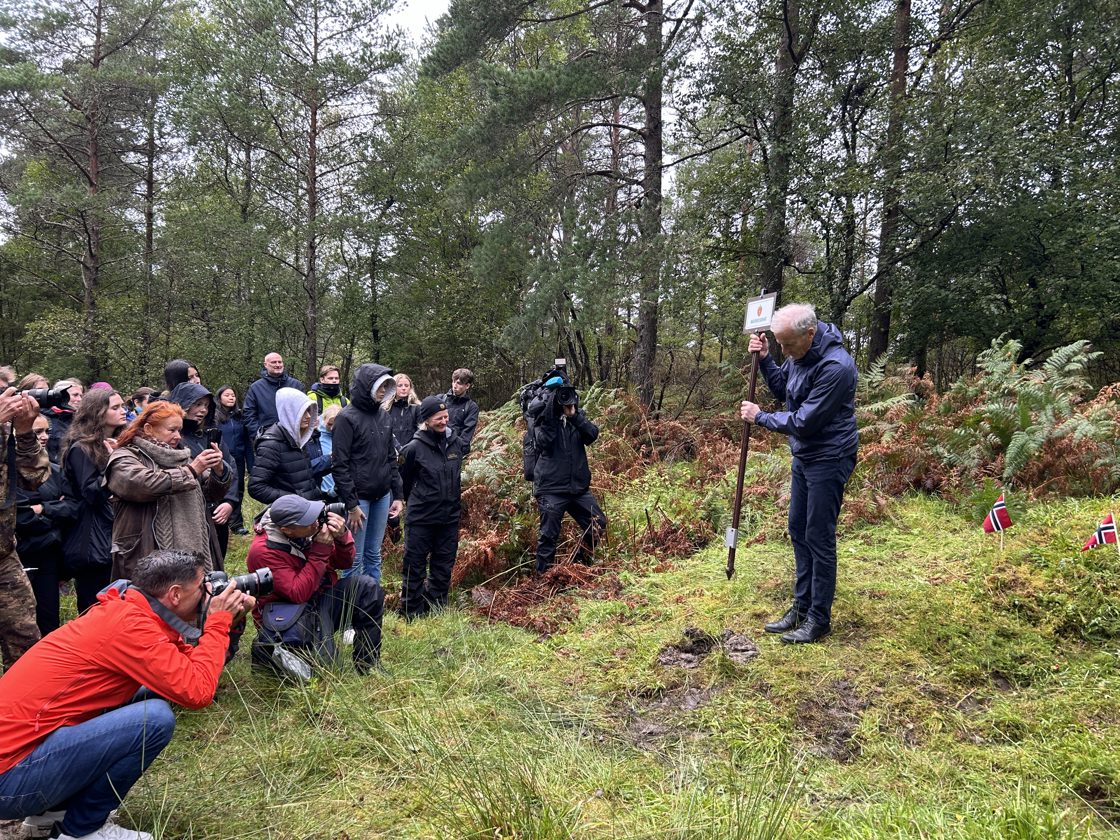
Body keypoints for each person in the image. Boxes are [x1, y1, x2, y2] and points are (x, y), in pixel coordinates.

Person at [0, 549, 254, 840]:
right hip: (9, 781)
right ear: (174, 594)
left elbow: (187, 668)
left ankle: (53, 814)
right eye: (202, 586)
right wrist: (218, 622)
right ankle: (82, 829)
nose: (208, 592)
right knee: (153, 719)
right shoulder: (132, 628)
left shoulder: (127, 610)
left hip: (18, 760)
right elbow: (197, 691)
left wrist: (228, 623)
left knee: (147, 695)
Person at [739, 302, 858, 644]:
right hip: (804, 456)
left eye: (788, 345)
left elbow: (805, 421)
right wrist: (765, 359)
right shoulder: (800, 353)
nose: (785, 351)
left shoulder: (836, 367)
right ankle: (801, 607)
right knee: (798, 529)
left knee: (818, 535)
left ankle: (819, 619)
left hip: (830, 457)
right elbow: (784, 389)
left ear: (810, 333)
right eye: (780, 345)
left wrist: (760, 417)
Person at [247, 495, 382, 677]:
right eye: (308, 521)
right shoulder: (263, 551)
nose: (315, 523)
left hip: (320, 598)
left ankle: (368, 665)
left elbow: (345, 563)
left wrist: (342, 537)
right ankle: (279, 657)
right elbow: (298, 593)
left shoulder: (307, 530)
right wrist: (320, 550)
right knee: (327, 671)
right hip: (289, 614)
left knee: (367, 588)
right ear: (287, 530)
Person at [105, 402, 230, 581]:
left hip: (195, 549)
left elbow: (211, 494)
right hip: (146, 553)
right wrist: (192, 470)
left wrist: (218, 470)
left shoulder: (182, 456)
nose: (178, 436)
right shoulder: (125, 456)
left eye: (179, 430)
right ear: (148, 429)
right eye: (171, 430)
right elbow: (143, 485)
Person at [331, 364, 403, 584]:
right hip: (358, 500)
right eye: (380, 387)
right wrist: (352, 505)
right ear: (367, 386)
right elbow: (339, 465)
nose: (383, 392)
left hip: (382, 496)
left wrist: (398, 495)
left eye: (386, 387)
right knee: (355, 556)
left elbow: (390, 458)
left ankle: (372, 597)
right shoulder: (346, 418)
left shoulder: (384, 416)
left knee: (373, 554)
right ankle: (351, 601)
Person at [397, 396, 467, 619]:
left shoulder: (456, 443)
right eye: (438, 418)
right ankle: (411, 611)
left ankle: (436, 607)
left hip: (449, 517)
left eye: (446, 417)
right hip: (421, 517)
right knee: (414, 565)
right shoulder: (412, 448)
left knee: (443, 564)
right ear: (426, 420)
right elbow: (403, 482)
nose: (444, 421)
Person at [528, 379, 607, 575]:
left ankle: (578, 566)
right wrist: (551, 415)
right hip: (551, 488)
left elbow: (592, 435)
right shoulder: (541, 420)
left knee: (598, 524)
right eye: (559, 398)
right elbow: (543, 443)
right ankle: (544, 579)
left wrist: (574, 416)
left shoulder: (576, 417)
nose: (564, 401)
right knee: (548, 536)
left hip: (578, 489)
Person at [60, 389, 128, 614]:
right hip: (93, 536)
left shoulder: (120, 441)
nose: (123, 411)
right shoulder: (81, 448)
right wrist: (113, 461)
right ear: (98, 412)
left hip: (119, 529)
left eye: (122, 406)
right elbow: (92, 493)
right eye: (115, 407)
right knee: (95, 605)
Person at [0, 389, 50, 669]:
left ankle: (20, 696)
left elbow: (35, 477)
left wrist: (24, 431)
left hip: (4, 557)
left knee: (25, 640)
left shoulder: (5, 428)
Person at [16, 415, 78, 635]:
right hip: (18, 553)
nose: (43, 437)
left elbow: (72, 508)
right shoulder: (8, 473)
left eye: (46, 431)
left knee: (48, 621)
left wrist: (42, 508)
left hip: (47, 553)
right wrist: (53, 511)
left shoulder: (55, 470)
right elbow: (19, 517)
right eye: (36, 432)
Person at [168, 383, 238, 559]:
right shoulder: (173, 439)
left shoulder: (211, 435)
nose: (203, 410)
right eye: (197, 404)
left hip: (217, 512)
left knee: (217, 561)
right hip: (188, 515)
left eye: (206, 405)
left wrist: (230, 502)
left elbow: (230, 468)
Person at [248, 387, 323, 504]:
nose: (308, 416)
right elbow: (256, 488)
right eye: (303, 412)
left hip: (309, 509)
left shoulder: (299, 439)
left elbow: (303, 480)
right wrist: (293, 501)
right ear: (290, 412)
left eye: (309, 411)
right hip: (292, 512)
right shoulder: (271, 445)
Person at [214, 385, 251, 535]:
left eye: (233, 395)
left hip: (239, 458)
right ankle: (221, 519)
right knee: (222, 488)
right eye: (227, 395)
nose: (231, 398)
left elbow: (247, 441)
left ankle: (236, 524)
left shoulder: (239, 417)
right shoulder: (215, 417)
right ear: (219, 398)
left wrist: (251, 463)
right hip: (222, 459)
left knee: (238, 488)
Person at [244, 352, 306, 439]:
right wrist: (258, 435)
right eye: (273, 362)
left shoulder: (296, 385)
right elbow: (249, 414)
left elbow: (305, 410)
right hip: (266, 438)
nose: (278, 365)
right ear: (265, 365)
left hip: (294, 437)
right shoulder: (256, 388)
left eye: (280, 362)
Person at [43, 379, 84, 462]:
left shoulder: (82, 421)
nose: (80, 399)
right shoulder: (44, 418)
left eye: (81, 396)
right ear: (60, 395)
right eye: (75, 395)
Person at [443, 367, 479, 447]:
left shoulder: (471, 407)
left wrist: (454, 449)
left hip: (455, 449)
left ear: (467, 386)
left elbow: (466, 436)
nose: (454, 386)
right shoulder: (441, 399)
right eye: (453, 381)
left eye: (459, 383)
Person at [387, 373, 421, 452]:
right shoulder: (386, 408)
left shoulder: (417, 408)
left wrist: (411, 448)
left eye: (406, 385)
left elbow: (421, 432)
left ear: (410, 388)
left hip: (412, 451)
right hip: (391, 452)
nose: (403, 388)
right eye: (400, 385)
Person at [317, 405, 341, 501]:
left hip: (341, 490)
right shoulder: (316, 436)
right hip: (322, 493)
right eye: (329, 424)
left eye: (336, 424)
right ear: (323, 420)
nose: (332, 428)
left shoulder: (346, 435)